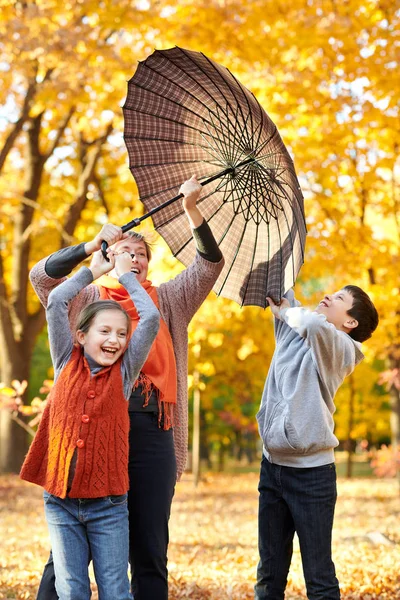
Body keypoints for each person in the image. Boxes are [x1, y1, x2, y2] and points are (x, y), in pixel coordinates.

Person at [29, 176, 224, 600]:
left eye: (141, 255)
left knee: (150, 547)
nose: (133, 259)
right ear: (109, 256)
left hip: (152, 430)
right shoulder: (89, 295)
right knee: (68, 549)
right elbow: (42, 280)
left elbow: (209, 266)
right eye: (125, 252)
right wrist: (87, 252)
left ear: (148, 265)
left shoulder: (169, 299)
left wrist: (193, 211)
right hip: (89, 429)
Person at [20, 248, 160, 600]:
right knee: (71, 590)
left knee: (115, 590)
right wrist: (92, 271)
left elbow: (152, 319)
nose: (114, 340)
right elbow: (56, 301)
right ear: (81, 336)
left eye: (121, 334)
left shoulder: (125, 374)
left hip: (109, 506)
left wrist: (127, 275)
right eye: (104, 331)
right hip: (61, 502)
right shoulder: (65, 359)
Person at [255, 285, 379, 600]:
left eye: (340, 299)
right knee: (269, 577)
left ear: (350, 322)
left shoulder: (343, 350)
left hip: (312, 477)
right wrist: (282, 293)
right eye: (332, 293)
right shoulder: (292, 331)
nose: (328, 296)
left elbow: (310, 324)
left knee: (319, 578)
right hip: (272, 469)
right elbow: (284, 292)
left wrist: (285, 310)